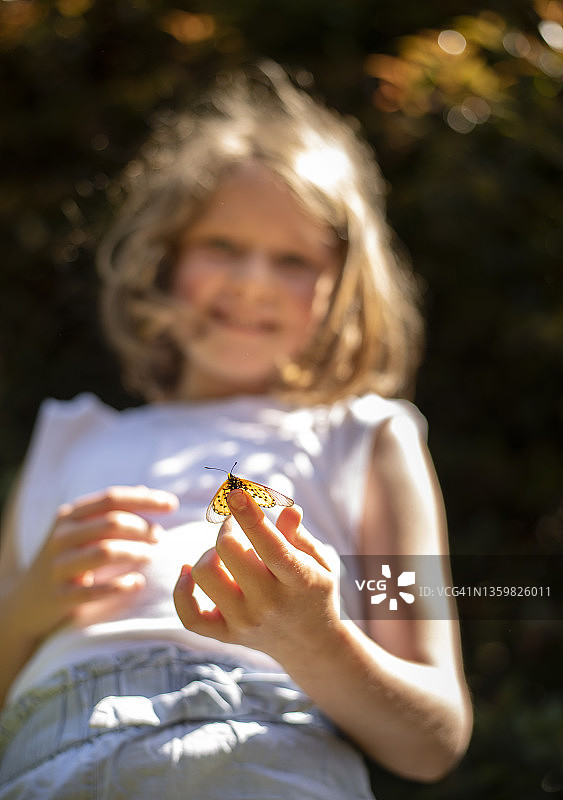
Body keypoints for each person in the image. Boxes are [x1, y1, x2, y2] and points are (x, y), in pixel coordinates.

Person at [0, 61, 472, 799]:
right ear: (164, 259)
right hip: (49, 756)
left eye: (292, 260)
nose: (252, 281)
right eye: (221, 245)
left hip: (271, 748)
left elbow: (433, 736)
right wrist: (24, 612)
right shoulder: (69, 436)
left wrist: (315, 638)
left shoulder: (365, 438)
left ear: (339, 287)